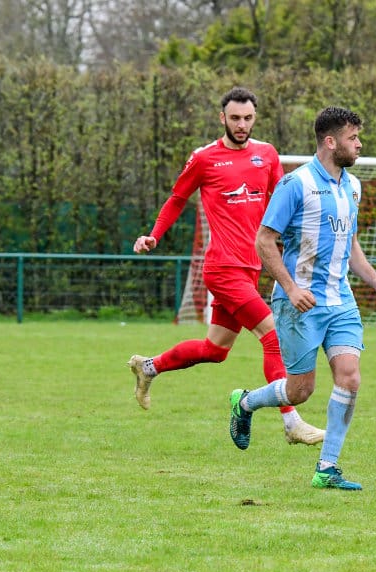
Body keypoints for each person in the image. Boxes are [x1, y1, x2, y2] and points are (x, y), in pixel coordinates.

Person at [127, 86, 324, 446]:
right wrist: (154, 235)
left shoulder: (267, 155)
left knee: (215, 350)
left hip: (251, 268)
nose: (241, 124)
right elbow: (177, 198)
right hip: (222, 268)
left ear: (255, 118)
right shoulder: (204, 158)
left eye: (247, 118)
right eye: (235, 118)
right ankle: (291, 423)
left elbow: (281, 202)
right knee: (273, 337)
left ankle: (148, 366)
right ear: (223, 118)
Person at [227, 106, 376, 491]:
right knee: (300, 390)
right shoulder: (296, 184)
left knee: (350, 377)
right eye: (353, 138)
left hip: (341, 301)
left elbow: (350, 243)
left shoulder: (353, 187)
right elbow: (264, 241)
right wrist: (291, 288)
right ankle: (245, 403)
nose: (359, 144)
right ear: (331, 142)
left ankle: (327, 468)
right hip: (298, 304)